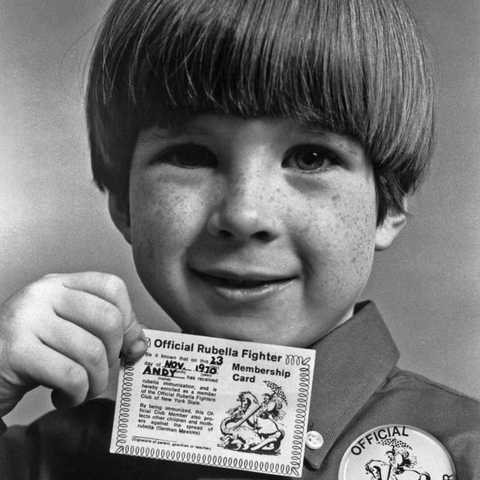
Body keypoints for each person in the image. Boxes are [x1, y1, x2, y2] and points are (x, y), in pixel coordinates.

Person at [0, 0, 479, 478]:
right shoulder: (53, 458)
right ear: (124, 202)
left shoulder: (467, 451)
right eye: (190, 155)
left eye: (311, 157)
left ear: (389, 203)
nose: (244, 215)